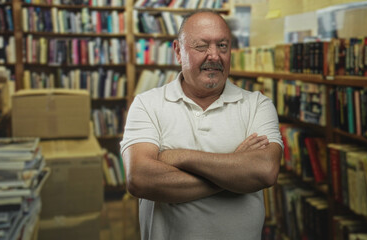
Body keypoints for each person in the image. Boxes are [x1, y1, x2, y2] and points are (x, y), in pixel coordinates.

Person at [120, 10, 283, 240]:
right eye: (201, 46)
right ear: (178, 51)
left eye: (223, 46)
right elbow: (139, 179)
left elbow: (265, 172)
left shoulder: (258, 105)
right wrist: (234, 174)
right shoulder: (147, 104)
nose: (214, 56)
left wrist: (179, 157)